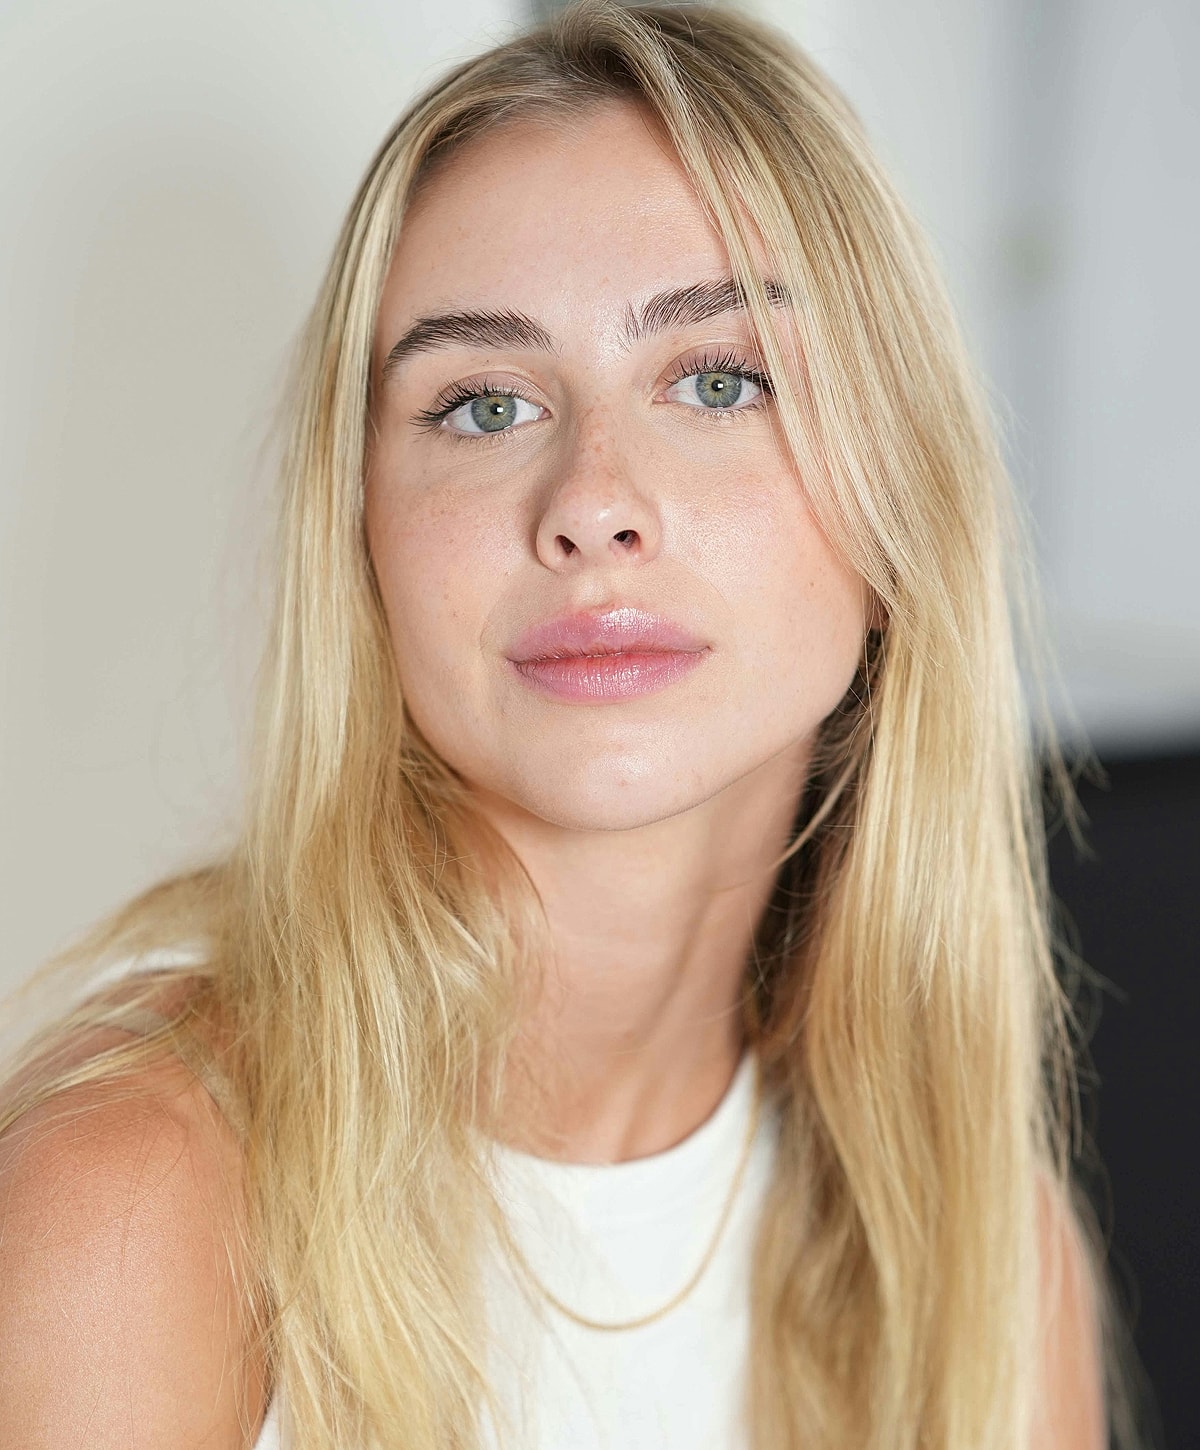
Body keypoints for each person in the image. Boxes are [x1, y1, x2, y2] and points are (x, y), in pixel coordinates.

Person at [0, 3, 1126, 1447]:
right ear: (364, 540)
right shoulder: (132, 1198)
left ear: (896, 510)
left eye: (720, 381)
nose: (594, 500)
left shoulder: (985, 1267)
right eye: (482, 405)